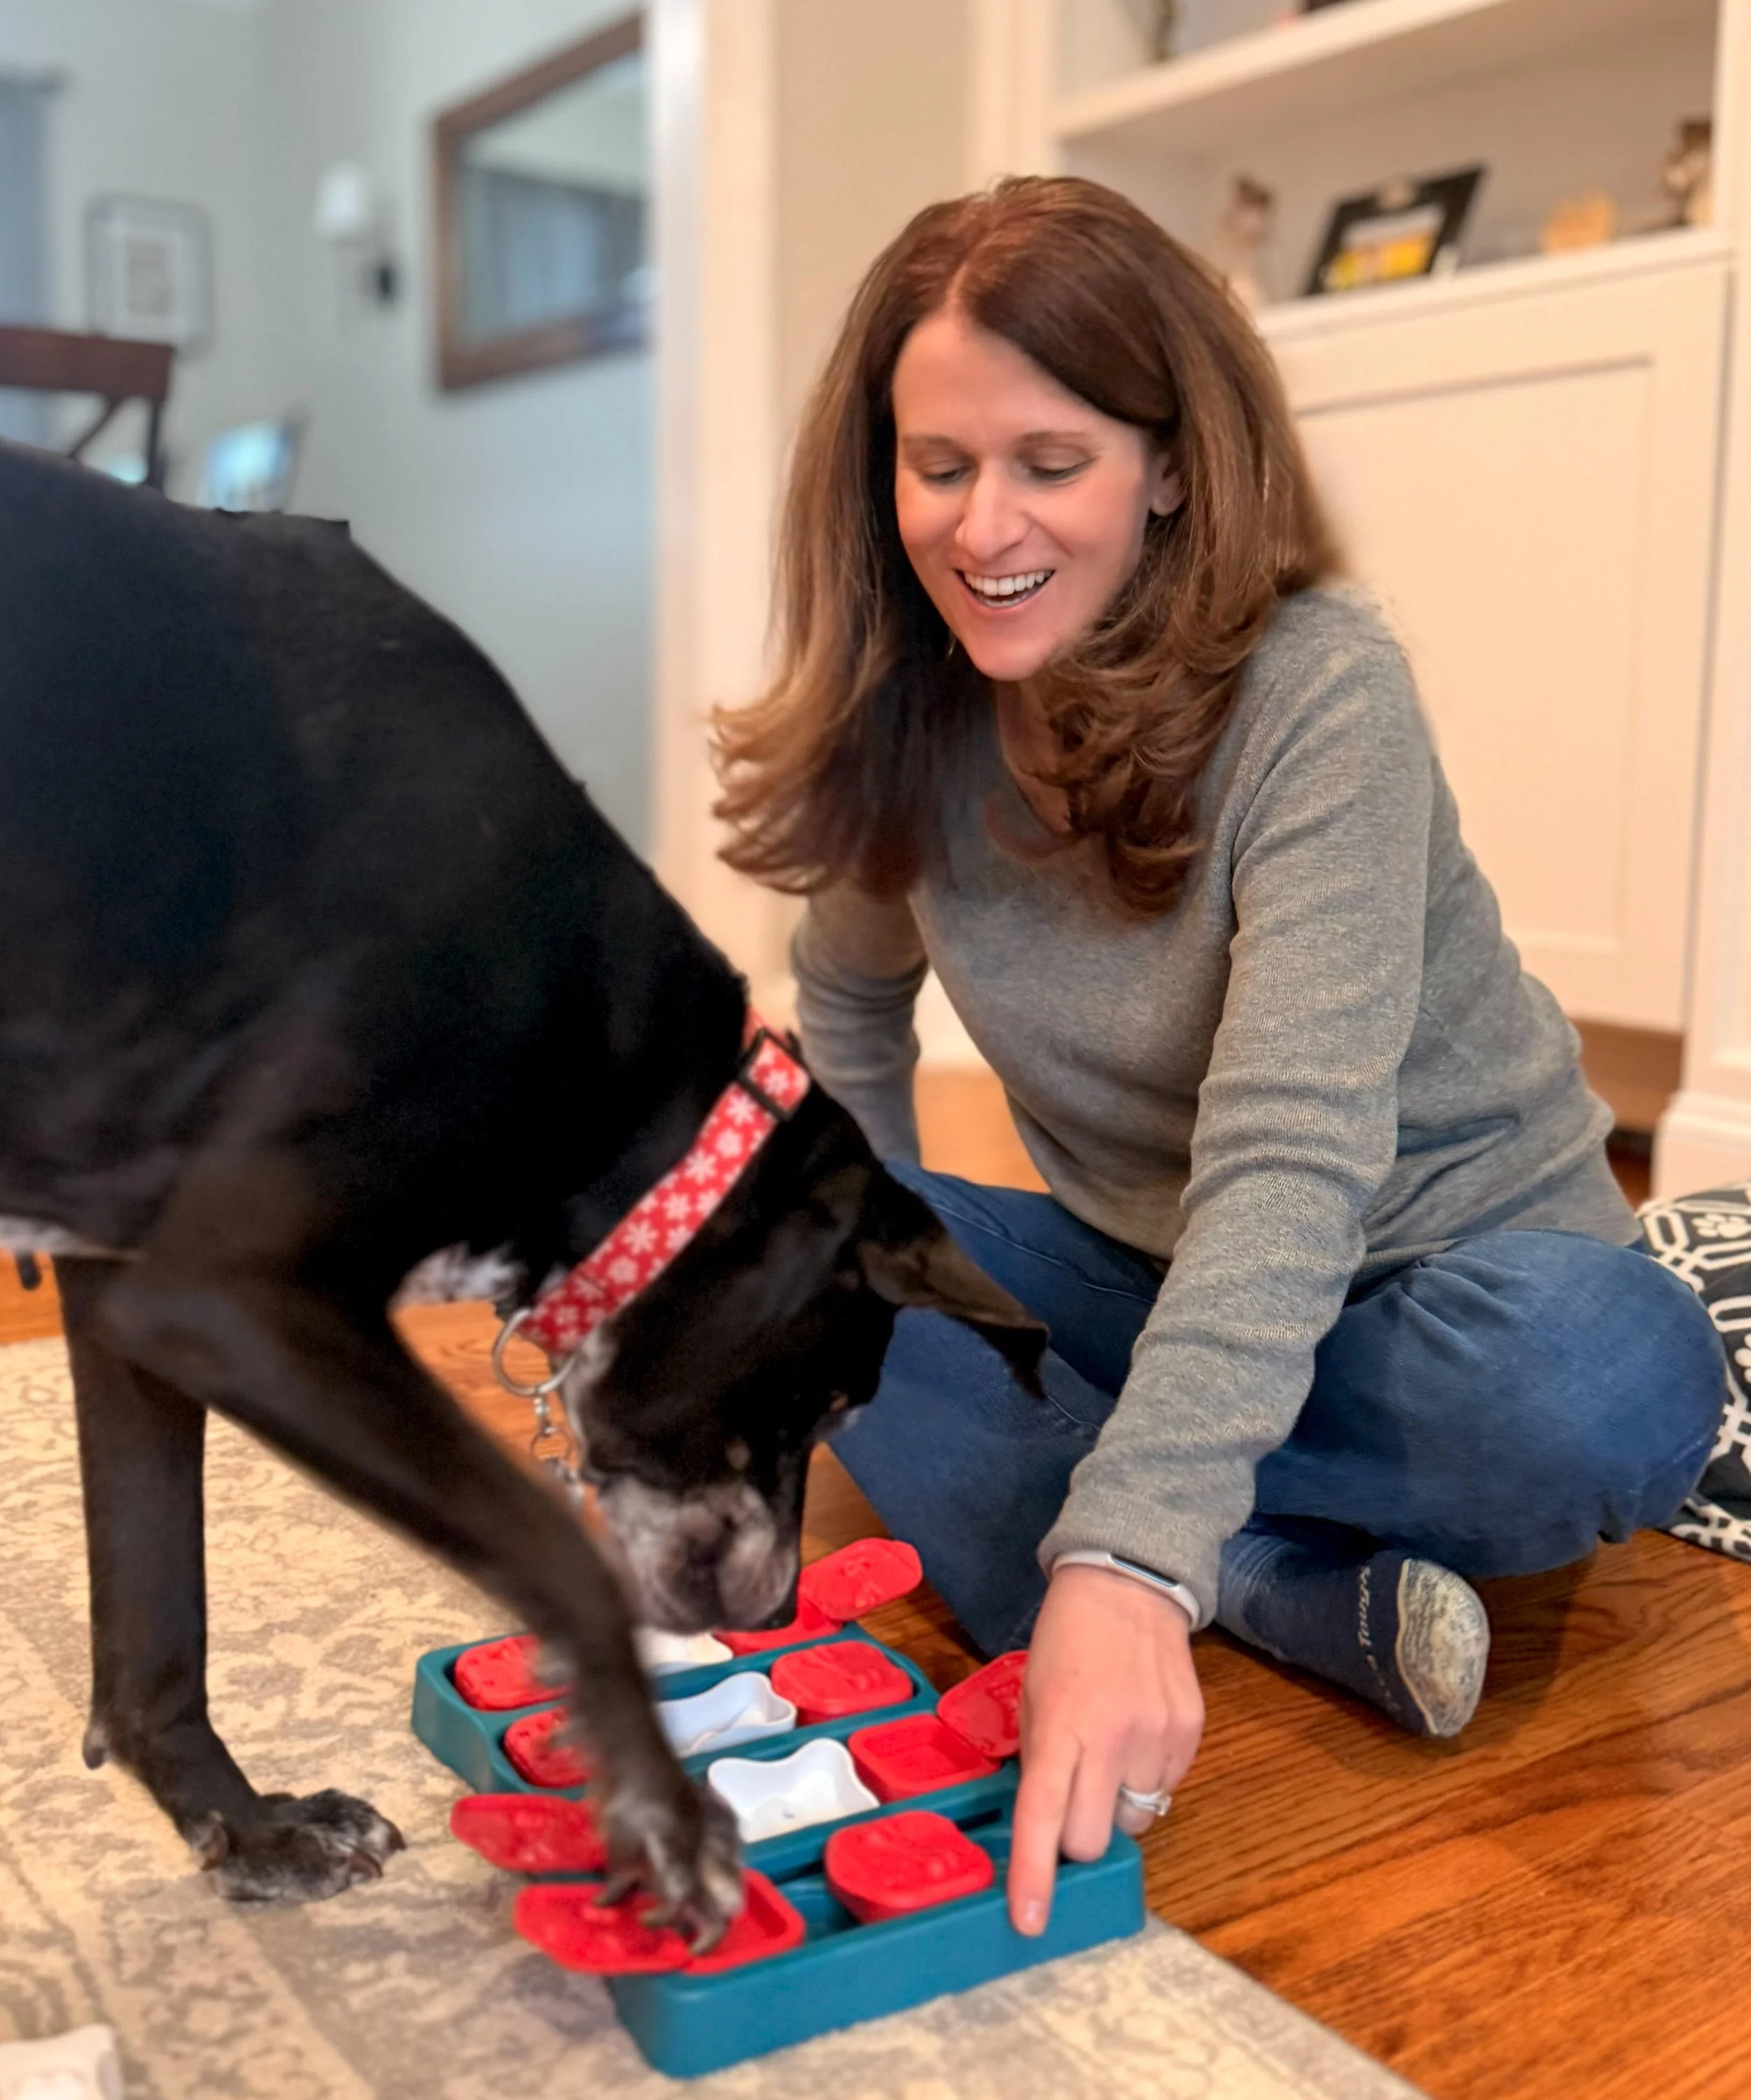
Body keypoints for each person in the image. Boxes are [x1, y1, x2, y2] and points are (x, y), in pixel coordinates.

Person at [711, 177, 1725, 1938]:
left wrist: (1116, 1555)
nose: (981, 521)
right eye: (936, 464)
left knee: (1608, 1384)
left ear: (1169, 462)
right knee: (787, 1243)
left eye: (1050, 459)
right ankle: (1264, 1581)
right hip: (1150, 1269)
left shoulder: (1320, 694)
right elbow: (851, 1016)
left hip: (1450, 1279)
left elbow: (1290, 1154)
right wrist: (822, 1276)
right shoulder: (912, 710)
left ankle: (1133, 1533)